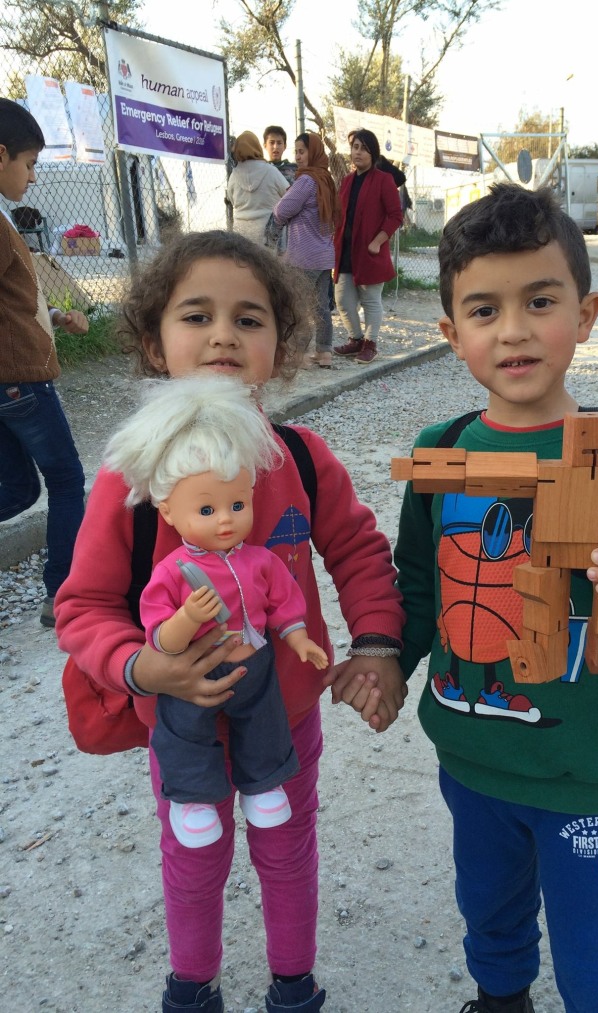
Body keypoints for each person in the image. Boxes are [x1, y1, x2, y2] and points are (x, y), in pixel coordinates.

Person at [334, 183, 598, 1013]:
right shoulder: (439, 453)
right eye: (484, 309)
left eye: (540, 301)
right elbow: (416, 583)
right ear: (451, 334)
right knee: (490, 909)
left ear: (584, 314)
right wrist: (387, 658)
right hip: (473, 760)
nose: (513, 329)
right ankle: (500, 998)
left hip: (590, 768)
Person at [55, 229, 407, 1013]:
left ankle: (294, 984)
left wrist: (377, 642)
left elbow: (355, 549)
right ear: (153, 342)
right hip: (180, 722)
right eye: (196, 316)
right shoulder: (131, 476)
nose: (223, 333)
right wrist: (142, 666)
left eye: (249, 319)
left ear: (281, 345)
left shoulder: (299, 457)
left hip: (286, 713)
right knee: (194, 853)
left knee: (286, 849)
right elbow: (82, 605)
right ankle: (192, 986)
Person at [104, 374, 328, 851]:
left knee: (264, 718)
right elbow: (157, 629)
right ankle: (193, 798)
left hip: (255, 660)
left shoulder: (260, 560)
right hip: (192, 672)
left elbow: (284, 600)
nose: (226, 519)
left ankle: (264, 782)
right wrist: (185, 620)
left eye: (237, 504)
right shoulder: (172, 571)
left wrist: (298, 636)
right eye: (206, 510)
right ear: (168, 513)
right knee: (184, 730)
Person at [0, 97, 88, 628]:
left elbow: (10, 307)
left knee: (18, 488)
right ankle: (65, 592)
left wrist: (54, 315)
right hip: (21, 385)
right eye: (29, 164)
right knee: (66, 479)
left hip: (10, 383)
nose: (33, 177)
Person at [332, 128, 404, 365]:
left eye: (363, 148)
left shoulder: (384, 180)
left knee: (371, 300)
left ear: (373, 152)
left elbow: (395, 216)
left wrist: (377, 241)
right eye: (355, 147)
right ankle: (356, 340)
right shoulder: (347, 181)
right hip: (345, 252)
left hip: (370, 252)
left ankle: (370, 344)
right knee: (342, 299)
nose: (358, 152)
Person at [273, 132, 341, 369]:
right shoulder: (326, 180)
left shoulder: (305, 181)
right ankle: (324, 353)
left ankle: (298, 355)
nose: (298, 156)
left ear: (313, 153)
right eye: (297, 152)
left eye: (302, 151)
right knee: (321, 306)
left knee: (297, 308)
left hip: (303, 256)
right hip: (324, 255)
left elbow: (282, 211)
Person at [225, 131, 288, 246]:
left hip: (241, 234)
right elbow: (288, 194)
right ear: (258, 147)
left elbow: (231, 199)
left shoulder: (234, 175)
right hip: (267, 234)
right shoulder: (271, 171)